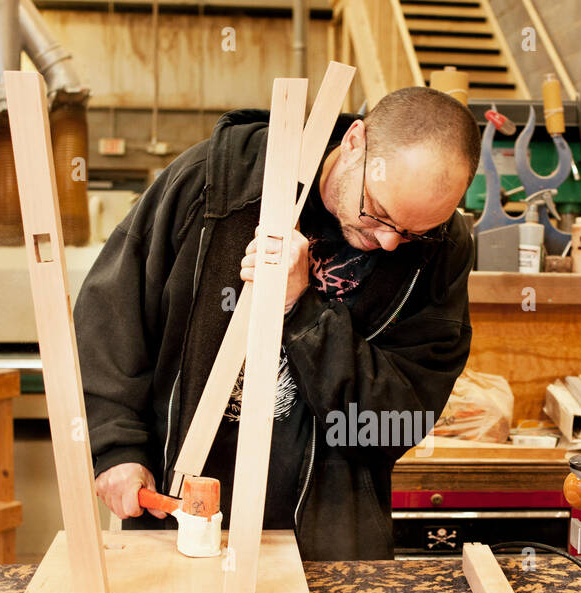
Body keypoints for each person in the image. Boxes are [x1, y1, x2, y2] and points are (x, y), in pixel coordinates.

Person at [73, 86, 480, 559]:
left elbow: (396, 421)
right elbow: (110, 318)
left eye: (413, 232)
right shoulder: (216, 183)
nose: (388, 243)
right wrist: (115, 443)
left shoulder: (442, 252)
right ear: (354, 142)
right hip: (178, 518)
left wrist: (302, 313)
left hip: (328, 542)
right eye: (379, 213)